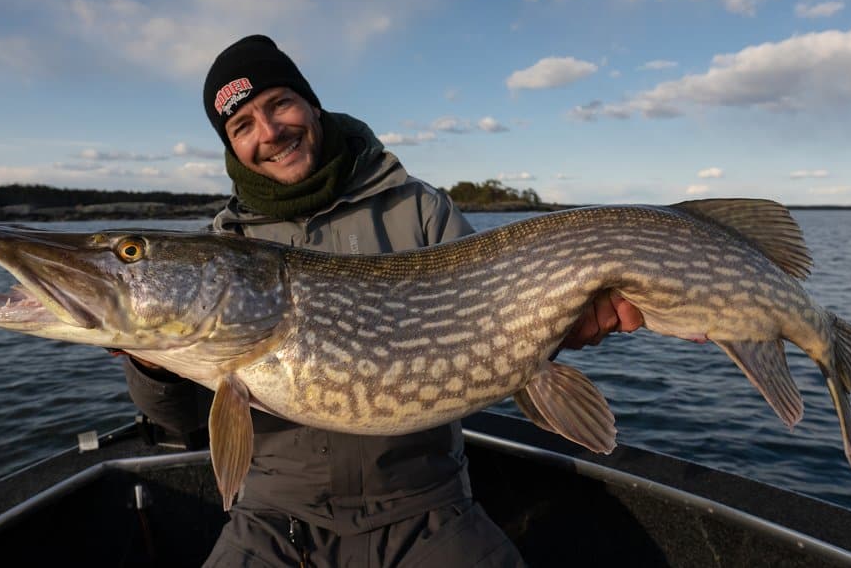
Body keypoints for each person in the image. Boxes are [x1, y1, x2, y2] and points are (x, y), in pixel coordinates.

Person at [122, 34, 643, 567]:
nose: (270, 131)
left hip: (429, 508)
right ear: (232, 147)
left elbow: (496, 330)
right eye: (243, 125)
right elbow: (180, 413)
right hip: (276, 516)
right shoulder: (222, 245)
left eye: (279, 103)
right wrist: (151, 363)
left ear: (311, 105)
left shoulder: (416, 207)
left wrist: (559, 330)